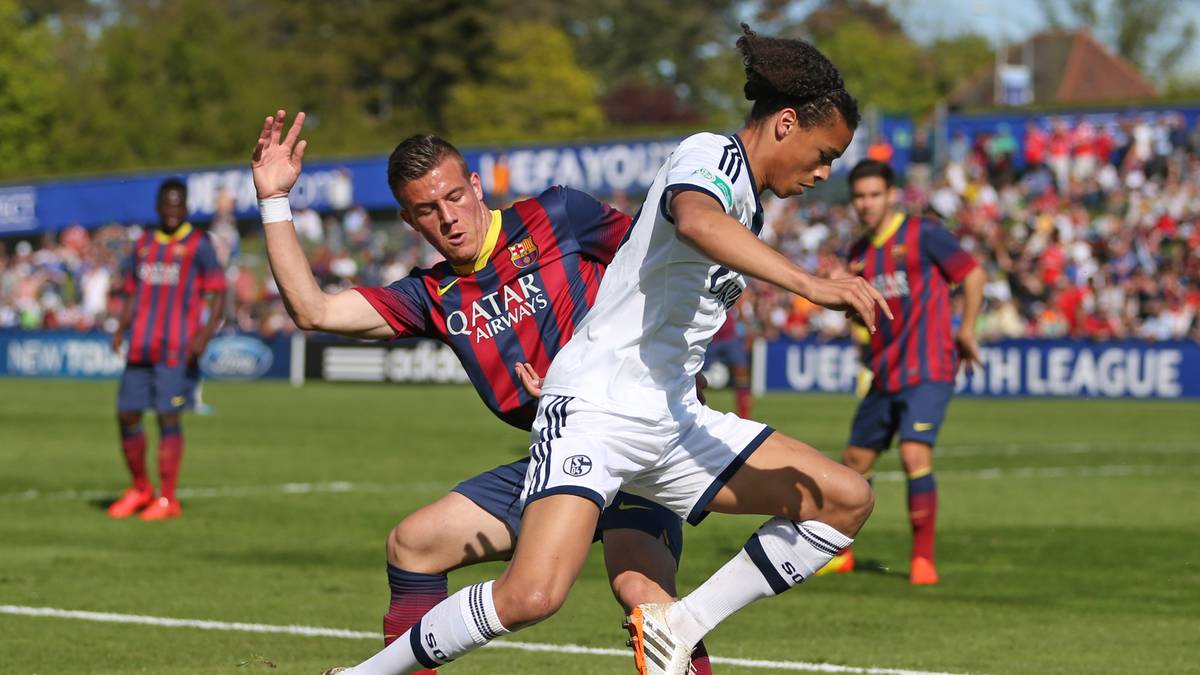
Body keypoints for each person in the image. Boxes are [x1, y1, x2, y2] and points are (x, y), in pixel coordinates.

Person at [330, 25, 893, 675]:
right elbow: (695, 220)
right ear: (786, 123)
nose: (825, 173)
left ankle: (680, 625)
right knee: (532, 594)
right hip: (598, 403)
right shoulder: (711, 155)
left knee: (845, 497)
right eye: (825, 154)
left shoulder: (749, 201)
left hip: (671, 417)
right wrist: (811, 283)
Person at [249, 124, 716, 674]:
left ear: (475, 186)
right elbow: (314, 311)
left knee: (643, 592)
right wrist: (274, 199)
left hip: (635, 443)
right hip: (558, 461)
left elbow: (666, 263)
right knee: (414, 545)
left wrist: (666, 371)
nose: (447, 218)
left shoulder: (558, 215)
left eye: (453, 197)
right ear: (408, 220)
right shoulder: (432, 296)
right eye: (426, 210)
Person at [821, 159, 984, 584]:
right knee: (854, 461)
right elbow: (863, 319)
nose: (866, 203)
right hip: (885, 371)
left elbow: (972, 274)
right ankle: (841, 552)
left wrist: (965, 329)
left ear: (891, 195)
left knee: (914, 452)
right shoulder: (858, 253)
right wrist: (839, 294)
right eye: (859, 196)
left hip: (930, 366)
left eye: (874, 194)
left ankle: (923, 560)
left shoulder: (923, 234)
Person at [107, 178, 226, 520]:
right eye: (168, 205)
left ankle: (168, 498)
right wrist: (121, 327)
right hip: (141, 346)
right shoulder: (143, 243)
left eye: (179, 205)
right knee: (126, 414)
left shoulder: (199, 244)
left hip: (177, 349)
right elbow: (131, 292)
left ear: (186, 208)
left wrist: (205, 334)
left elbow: (219, 292)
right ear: (159, 207)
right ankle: (141, 488)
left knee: (166, 415)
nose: (173, 211)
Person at [704, 300, 752, 418]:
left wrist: (747, 333)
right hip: (708, 336)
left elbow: (740, 305)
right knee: (694, 376)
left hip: (729, 335)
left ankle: (744, 417)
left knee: (741, 371)